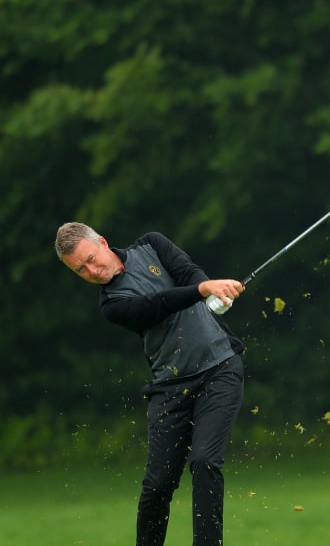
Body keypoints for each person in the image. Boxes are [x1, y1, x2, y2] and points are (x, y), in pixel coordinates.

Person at [55, 222, 246, 546]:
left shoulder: (151, 245)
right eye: (81, 270)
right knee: (157, 485)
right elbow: (156, 305)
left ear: (102, 242)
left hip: (220, 368)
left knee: (203, 462)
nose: (92, 271)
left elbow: (188, 273)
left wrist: (211, 289)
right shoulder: (111, 304)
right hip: (170, 387)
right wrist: (203, 290)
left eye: (90, 259)